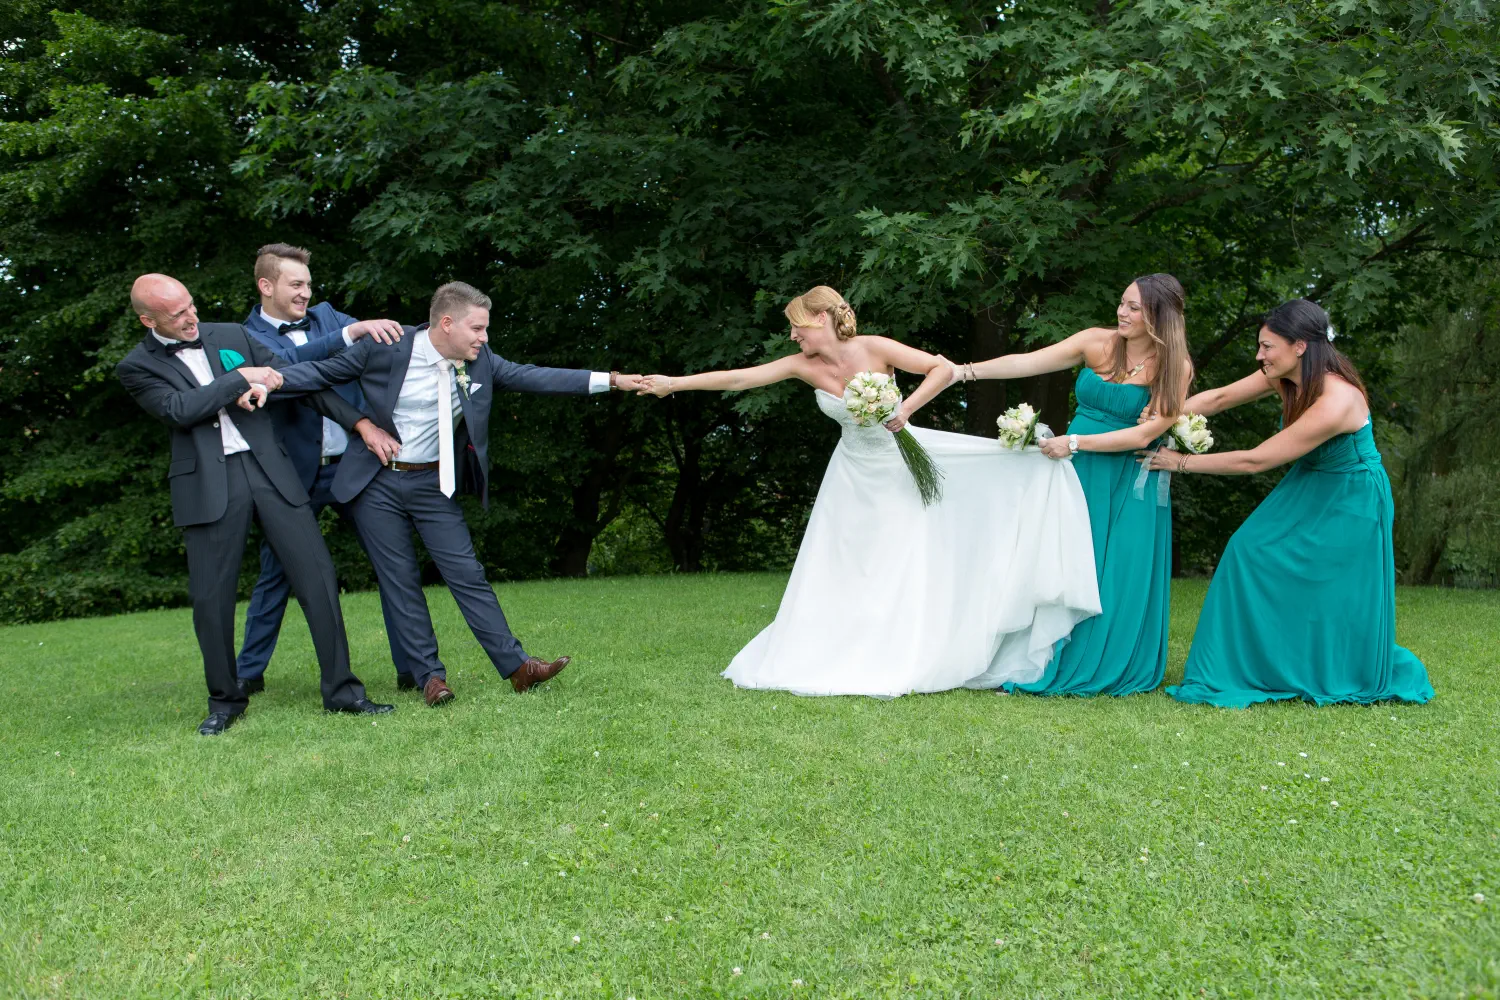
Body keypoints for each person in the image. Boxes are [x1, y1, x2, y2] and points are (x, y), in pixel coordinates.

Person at [638, 285, 1100, 697]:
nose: (793, 336)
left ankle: (896, 652)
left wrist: (906, 410)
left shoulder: (875, 348)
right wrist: (673, 384)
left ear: (821, 318)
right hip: (850, 476)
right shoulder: (802, 366)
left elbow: (941, 369)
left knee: (894, 561)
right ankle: (833, 651)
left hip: (900, 470)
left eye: (797, 326)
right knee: (843, 564)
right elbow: (741, 377)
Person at [275, 281, 646, 706]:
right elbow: (318, 377)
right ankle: (431, 678)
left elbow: (537, 376)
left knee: (467, 573)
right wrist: (277, 384)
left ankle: (519, 667)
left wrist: (611, 380)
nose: (484, 338)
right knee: (400, 581)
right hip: (376, 483)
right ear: (447, 323)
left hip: (434, 484)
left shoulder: (481, 362)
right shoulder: (385, 347)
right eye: (478, 328)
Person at [115, 274, 398, 734]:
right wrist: (240, 378)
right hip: (208, 483)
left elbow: (297, 383)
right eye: (177, 314)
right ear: (149, 321)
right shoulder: (136, 366)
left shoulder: (231, 334)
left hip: (271, 469)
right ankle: (226, 702)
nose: (191, 318)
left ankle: (343, 692)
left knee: (318, 576)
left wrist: (361, 424)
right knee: (211, 597)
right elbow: (179, 410)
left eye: (191, 305)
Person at [1143, 298, 1434, 708]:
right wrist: (1160, 414)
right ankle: (1260, 664)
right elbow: (1220, 398)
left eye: (1267, 346)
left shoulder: (1337, 399)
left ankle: (1325, 667)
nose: (1259, 355)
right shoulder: (1284, 375)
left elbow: (1256, 460)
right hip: (1311, 480)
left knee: (1330, 588)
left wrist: (1181, 462)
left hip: (1352, 496)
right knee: (1248, 549)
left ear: (1299, 346)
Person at [954, 274, 1193, 696]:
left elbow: (1144, 434)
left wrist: (1076, 442)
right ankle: (1040, 653)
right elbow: (1028, 362)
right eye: (1122, 302)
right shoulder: (1096, 342)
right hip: (1076, 473)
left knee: (1114, 569)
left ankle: (1102, 658)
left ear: (1159, 317)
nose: (1122, 312)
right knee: (1061, 560)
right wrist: (965, 372)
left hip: (1126, 479)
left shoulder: (1175, 367)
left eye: (1134, 307)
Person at [235, 242, 416, 695]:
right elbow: (284, 370)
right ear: (266, 285)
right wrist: (348, 336)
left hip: (353, 467)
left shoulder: (329, 316)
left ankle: (414, 668)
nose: (305, 293)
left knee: (392, 563)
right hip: (291, 474)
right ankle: (247, 674)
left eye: (309, 285)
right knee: (276, 574)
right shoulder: (244, 338)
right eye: (296, 285)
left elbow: (381, 344)